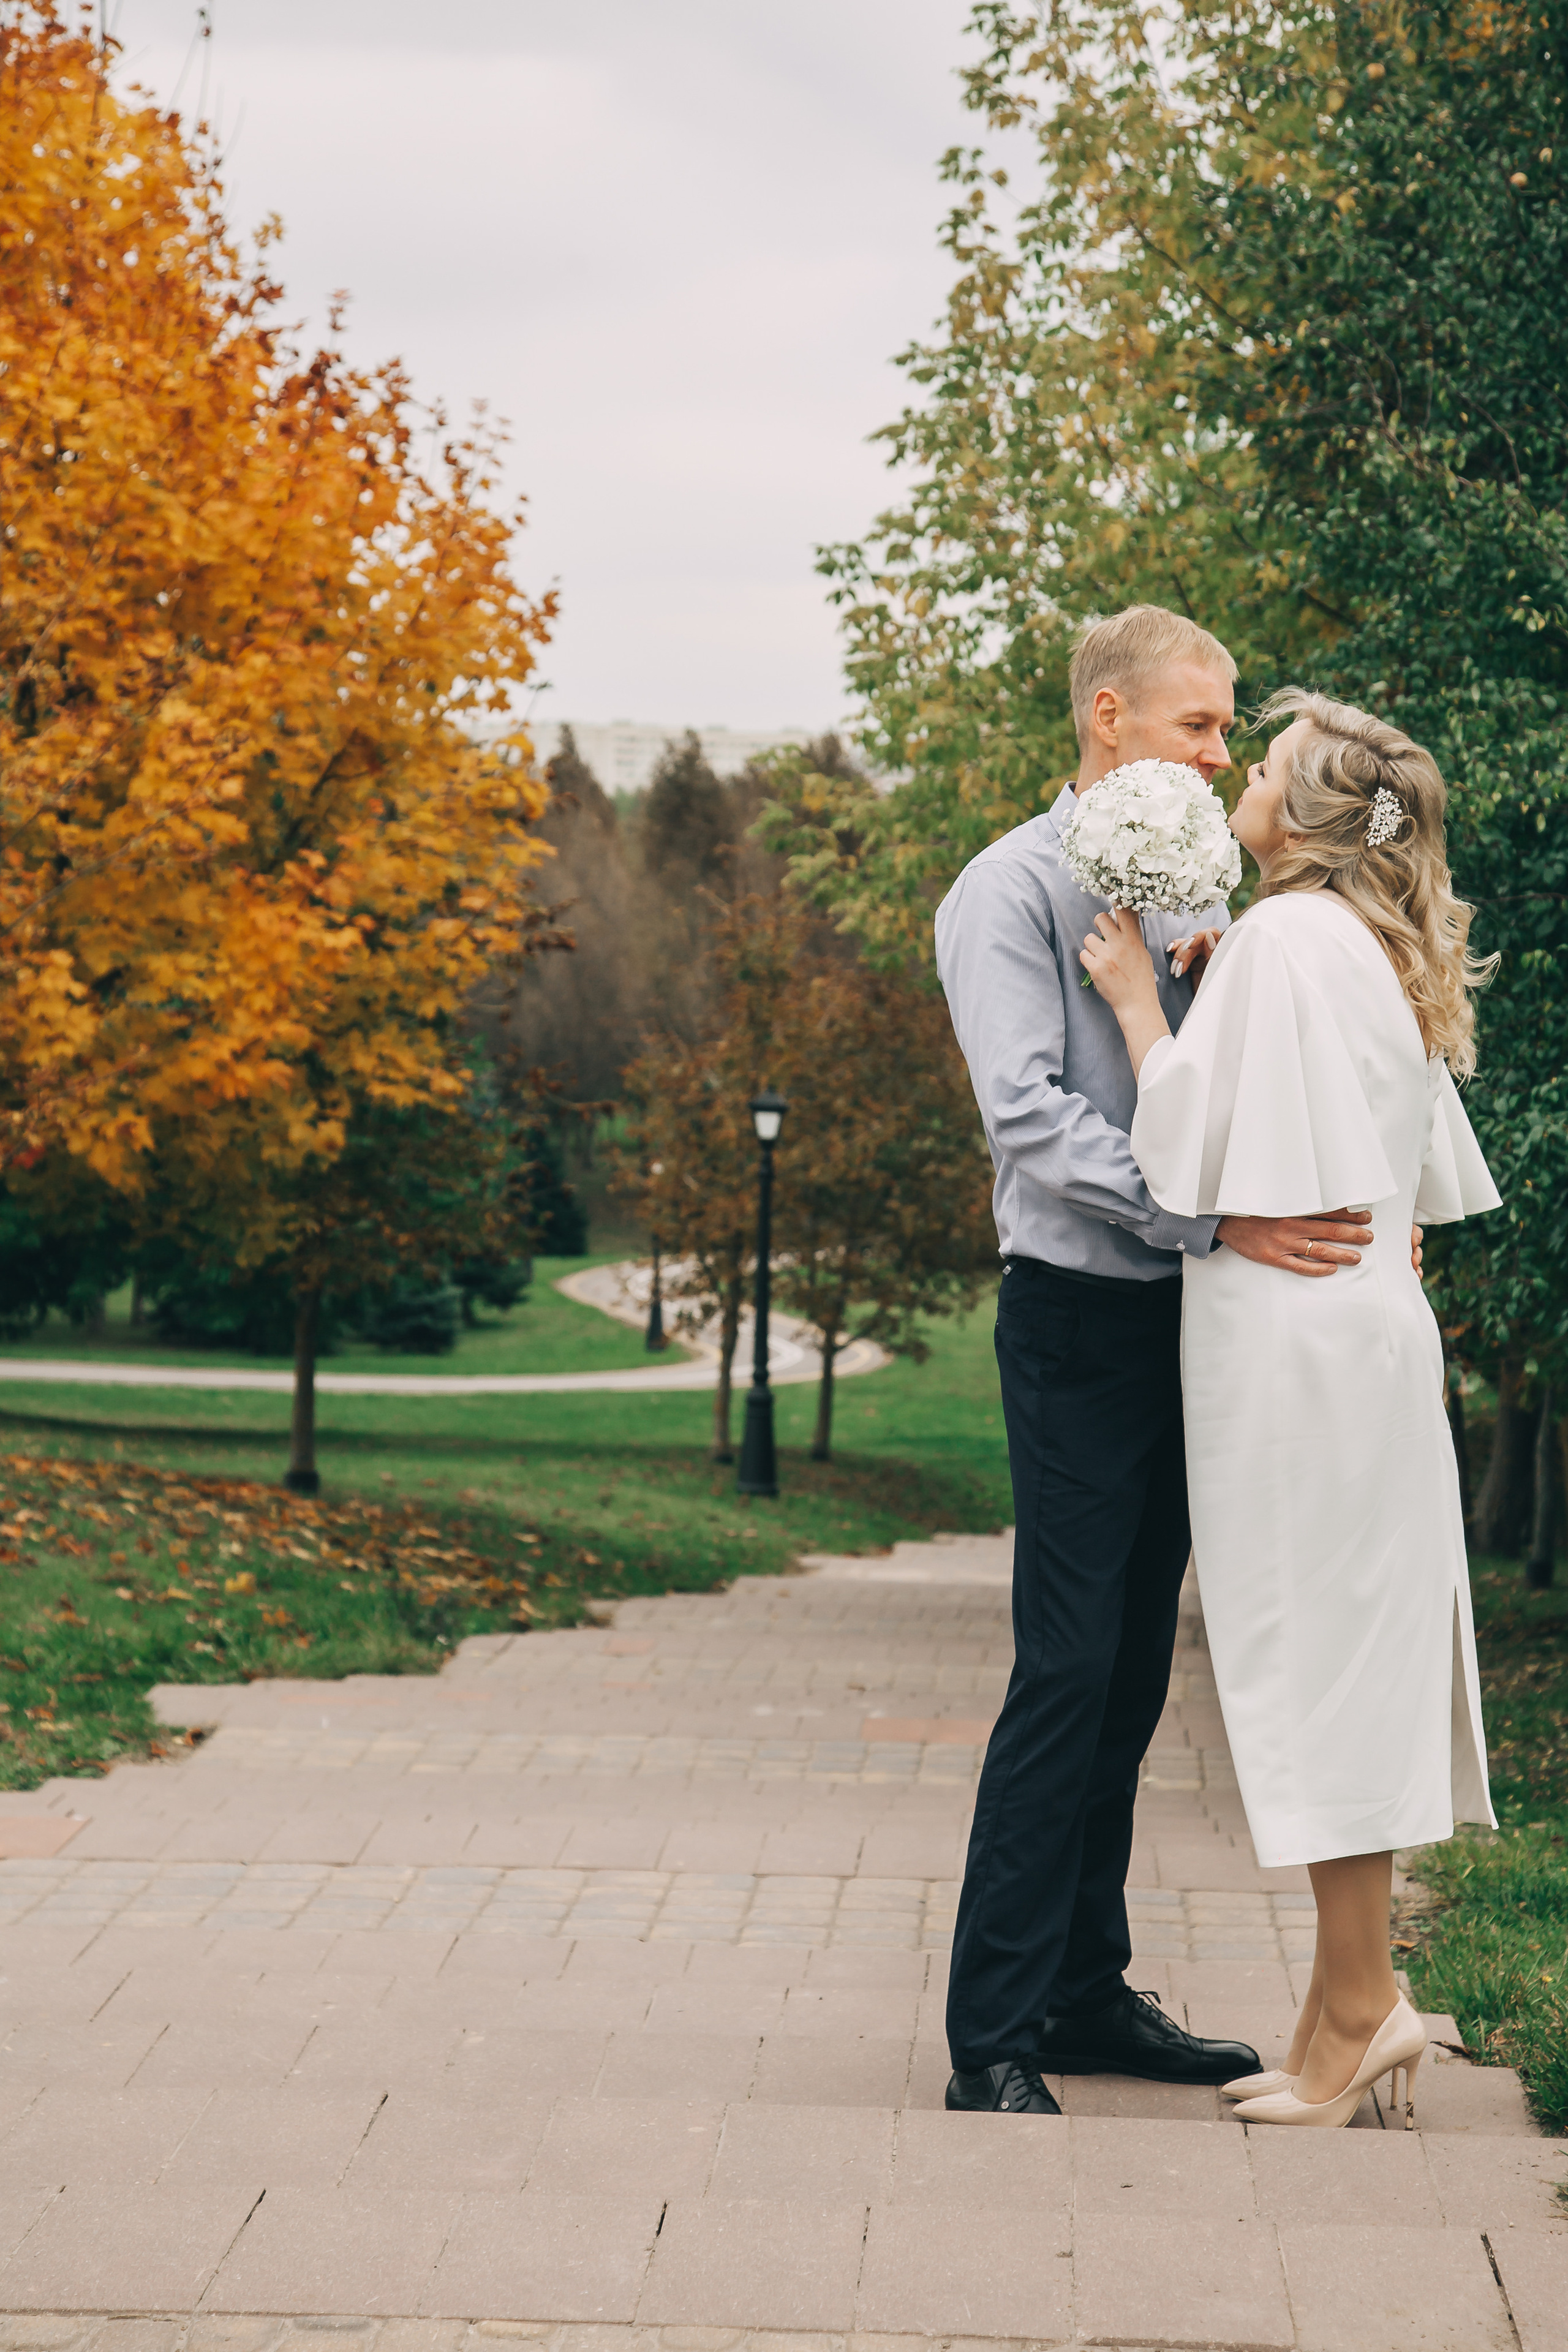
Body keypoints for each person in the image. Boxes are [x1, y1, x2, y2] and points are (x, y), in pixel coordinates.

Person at [933, 607, 1385, 2118]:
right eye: (1200, 727)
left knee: (1131, 1675)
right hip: (1073, 1323)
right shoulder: (1002, 893)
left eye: (1226, 732)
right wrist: (1206, 1214)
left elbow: (1202, 1085)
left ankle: (1079, 1991)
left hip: (1188, 1317)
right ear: (1109, 718)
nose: (1215, 751)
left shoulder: (1201, 891)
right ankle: (988, 2034)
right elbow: (1028, 1120)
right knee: (1063, 1668)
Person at [1084, 688, 1499, 2130]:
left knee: (1312, 1662)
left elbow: (1184, 1154)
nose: (1236, 782)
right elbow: (1414, 1180)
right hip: (1370, 1332)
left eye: (1256, 768)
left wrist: (1142, 1004)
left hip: (1291, 1355)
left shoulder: (1276, 942)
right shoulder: (1366, 947)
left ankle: (1356, 2016)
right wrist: (1217, 976)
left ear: (1301, 823)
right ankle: (1344, 2003)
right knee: (1348, 1664)